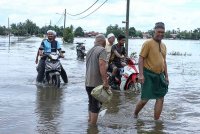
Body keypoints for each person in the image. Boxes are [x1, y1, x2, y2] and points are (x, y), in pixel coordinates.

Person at [134, 22, 169, 120]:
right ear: (154, 31)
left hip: (160, 75)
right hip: (148, 74)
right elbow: (141, 59)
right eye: (159, 32)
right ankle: (135, 114)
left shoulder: (164, 46)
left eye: (162, 32)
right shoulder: (148, 43)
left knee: (160, 98)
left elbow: (164, 61)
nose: (161, 34)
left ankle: (156, 122)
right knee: (145, 99)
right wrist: (140, 75)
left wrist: (166, 76)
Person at [85, 34, 109, 125]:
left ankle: (90, 122)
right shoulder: (102, 50)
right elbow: (102, 65)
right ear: (104, 42)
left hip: (88, 82)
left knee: (91, 103)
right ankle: (93, 128)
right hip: (96, 83)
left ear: (95, 42)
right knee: (96, 105)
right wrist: (105, 82)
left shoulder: (89, 51)